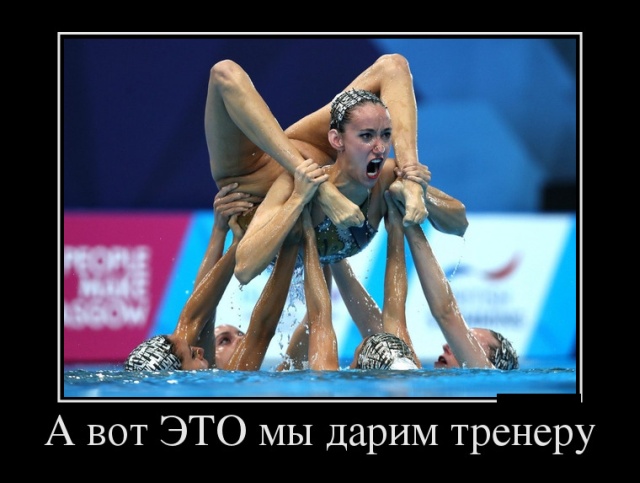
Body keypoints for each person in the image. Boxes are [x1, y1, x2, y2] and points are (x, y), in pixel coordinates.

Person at [347, 190, 519, 370]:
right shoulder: (415, 375)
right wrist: (334, 254)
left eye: (469, 340)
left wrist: (409, 221)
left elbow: (447, 313)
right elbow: (383, 329)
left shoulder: (487, 374)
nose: (448, 344)